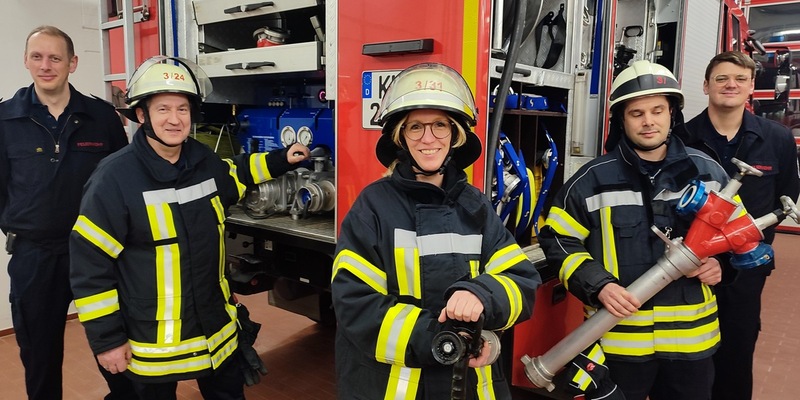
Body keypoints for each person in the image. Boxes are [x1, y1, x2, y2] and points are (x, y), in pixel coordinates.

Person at [68, 55, 310, 399]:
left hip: (215, 332)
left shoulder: (203, 161)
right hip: (152, 347)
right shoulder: (113, 179)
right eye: (163, 109)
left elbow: (236, 174)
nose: (174, 119)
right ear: (141, 115)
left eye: (182, 109)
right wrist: (107, 341)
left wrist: (280, 160)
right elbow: (89, 268)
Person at [330, 62, 541, 399]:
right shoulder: (373, 207)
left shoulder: (476, 206)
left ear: (456, 134)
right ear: (400, 136)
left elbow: (521, 282)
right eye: (416, 127)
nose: (428, 138)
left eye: (440, 125)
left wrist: (482, 295)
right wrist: (442, 339)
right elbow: (355, 304)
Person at [538, 60, 730, 400]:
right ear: (621, 120)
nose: (648, 121)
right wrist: (598, 286)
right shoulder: (591, 179)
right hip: (619, 343)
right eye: (636, 113)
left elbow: (737, 238)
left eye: (657, 110)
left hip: (691, 345)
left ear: (673, 114)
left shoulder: (709, 173)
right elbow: (557, 239)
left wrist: (722, 265)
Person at [0, 25, 135, 400]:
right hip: (35, 256)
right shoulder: (4, 119)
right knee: (39, 357)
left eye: (55, 57)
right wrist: (24, 228)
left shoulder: (102, 116)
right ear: (26, 61)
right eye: (37, 56)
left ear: (72, 63)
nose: (46, 65)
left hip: (97, 253)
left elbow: (121, 181)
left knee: (117, 348)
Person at [678, 51, 800, 400]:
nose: (730, 85)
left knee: (736, 351)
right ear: (706, 85)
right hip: (691, 268)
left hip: (744, 273)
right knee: (685, 357)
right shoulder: (681, 138)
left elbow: (785, 197)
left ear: (750, 88)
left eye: (739, 79)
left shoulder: (777, 139)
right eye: (721, 78)